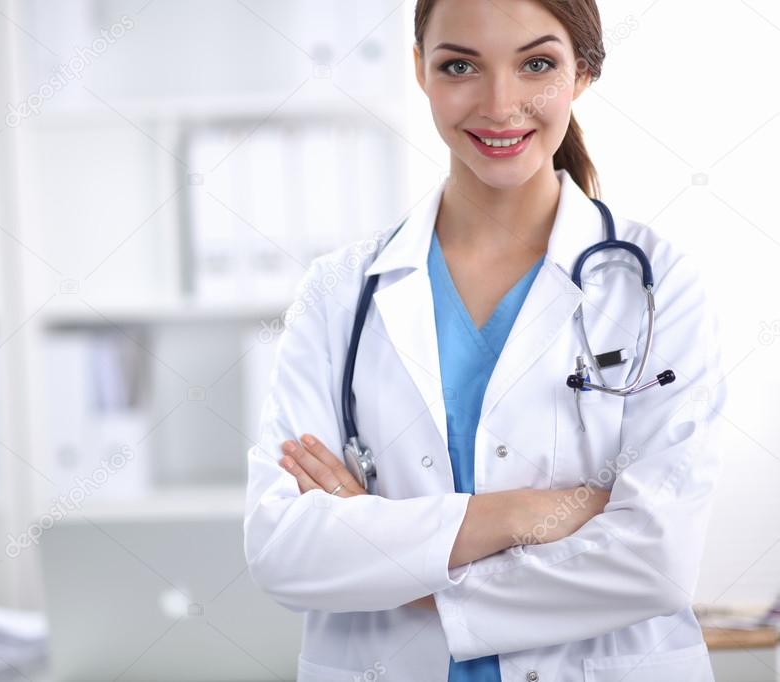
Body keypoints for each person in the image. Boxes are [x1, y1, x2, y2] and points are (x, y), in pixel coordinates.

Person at [243, 0, 726, 680]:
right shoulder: (337, 293)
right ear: (419, 70)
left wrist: (397, 562)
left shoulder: (653, 284)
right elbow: (285, 550)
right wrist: (521, 515)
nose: (500, 105)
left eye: (535, 64)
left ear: (580, 72)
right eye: (459, 65)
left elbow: (653, 562)